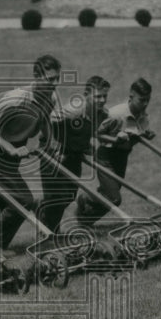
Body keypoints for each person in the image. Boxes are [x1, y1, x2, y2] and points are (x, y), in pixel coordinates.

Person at [0, 54, 62, 253]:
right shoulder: (17, 98)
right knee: (24, 200)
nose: (55, 83)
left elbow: (44, 119)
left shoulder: (50, 96)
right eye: (50, 79)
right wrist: (11, 149)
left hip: (15, 151)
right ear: (36, 76)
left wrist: (49, 142)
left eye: (57, 78)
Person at [75, 77, 155, 226]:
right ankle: (86, 204)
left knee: (109, 194)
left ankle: (85, 219)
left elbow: (135, 137)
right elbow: (97, 133)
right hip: (106, 157)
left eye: (147, 100)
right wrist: (115, 139)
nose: (145, 104)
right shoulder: (116, 114)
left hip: (122, 157)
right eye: (142, 100)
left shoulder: (143, 116)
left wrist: (145, 135)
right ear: (131, 97)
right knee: (114, 198)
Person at [37, 76, 110, 233]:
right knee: (54, 197)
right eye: (98, 96)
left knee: (69, 195)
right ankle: (48, 232)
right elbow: (46, 121)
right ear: (86, 94)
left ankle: (47, 224)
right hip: (52, 152)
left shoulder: (102, 114)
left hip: (73, 154)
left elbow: (86, 132)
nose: (102, 100)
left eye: (105, 96)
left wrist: (86, 146)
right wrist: (55, 145)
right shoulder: (73, 109)